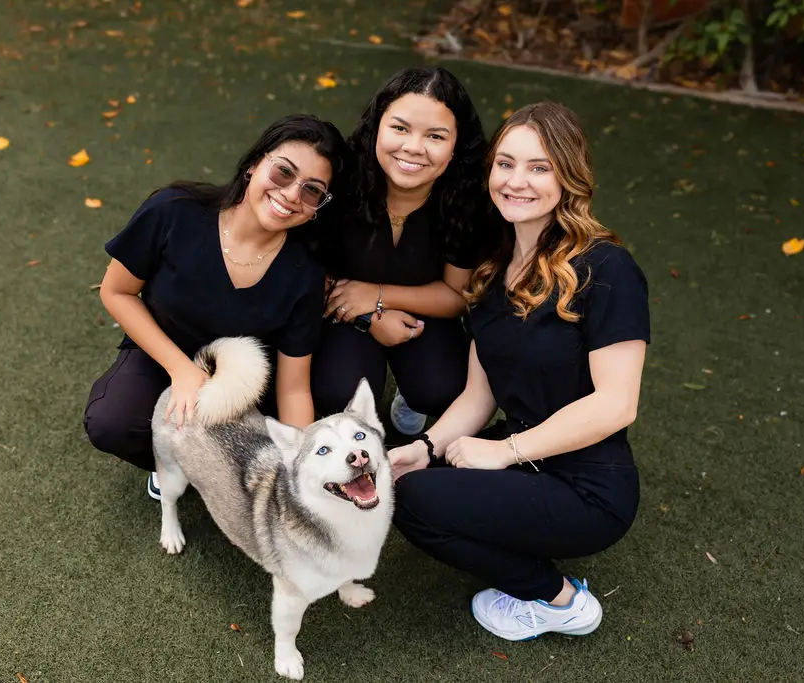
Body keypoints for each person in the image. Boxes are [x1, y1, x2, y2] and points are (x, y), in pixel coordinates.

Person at [387, 101, 649, 641]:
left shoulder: (606, 268)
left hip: (588, 487)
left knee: (417, 503)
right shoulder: (493, 267)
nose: (516, 181)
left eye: (539, 167)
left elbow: (617, 403)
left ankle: (560, 602)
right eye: (505, 164)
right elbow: (478, 398)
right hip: (526, 458)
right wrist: (428, 448)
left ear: (569, 177)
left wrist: (503, 452)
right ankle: (514, 522)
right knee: (408, 481)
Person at [83, 114, 350, 499]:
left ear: (318, 207)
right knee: (113, 421)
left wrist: (299, 465)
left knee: (265, 474)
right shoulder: (173, 211)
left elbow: (293, 388)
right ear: (255, 165)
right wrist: (180, 370)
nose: (292, 194)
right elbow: (116, 292)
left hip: (241, 389)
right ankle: (170, 462)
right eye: (283, 173)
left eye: (312, 190)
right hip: (161, 357)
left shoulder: (304, 272)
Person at [311, 66, 495, 436]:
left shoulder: (469, 199)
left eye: (436, 136)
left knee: (446, 388)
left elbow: (457, 295)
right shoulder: (341, 177)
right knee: (338, 393)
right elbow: (305, 272)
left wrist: (377, 297)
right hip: (340, 308)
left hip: (422, 309)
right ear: (377, 125)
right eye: (400, 128)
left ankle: (411, 395)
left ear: (456, 144)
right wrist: (368, 316)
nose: (413, 147)